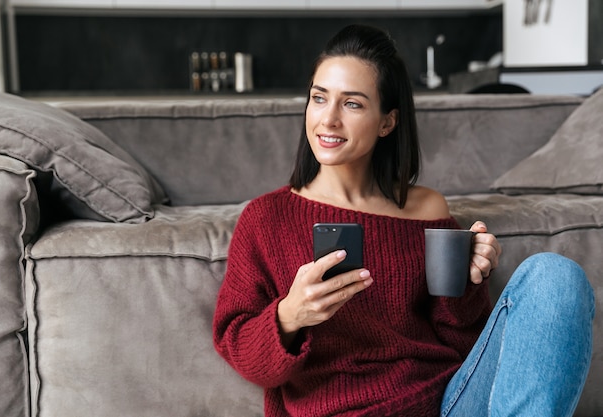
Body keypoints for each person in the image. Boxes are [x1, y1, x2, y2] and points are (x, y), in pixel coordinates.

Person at [212, 24, 594, 417]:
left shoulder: (426, 210)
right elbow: (238, 345)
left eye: (352, 104)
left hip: (447, 404)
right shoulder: (266, 218)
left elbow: (462, 343)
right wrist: (290, 314)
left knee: (554, 275)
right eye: (319, 98)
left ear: (387, 122)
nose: (328, 120)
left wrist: (467, 279)